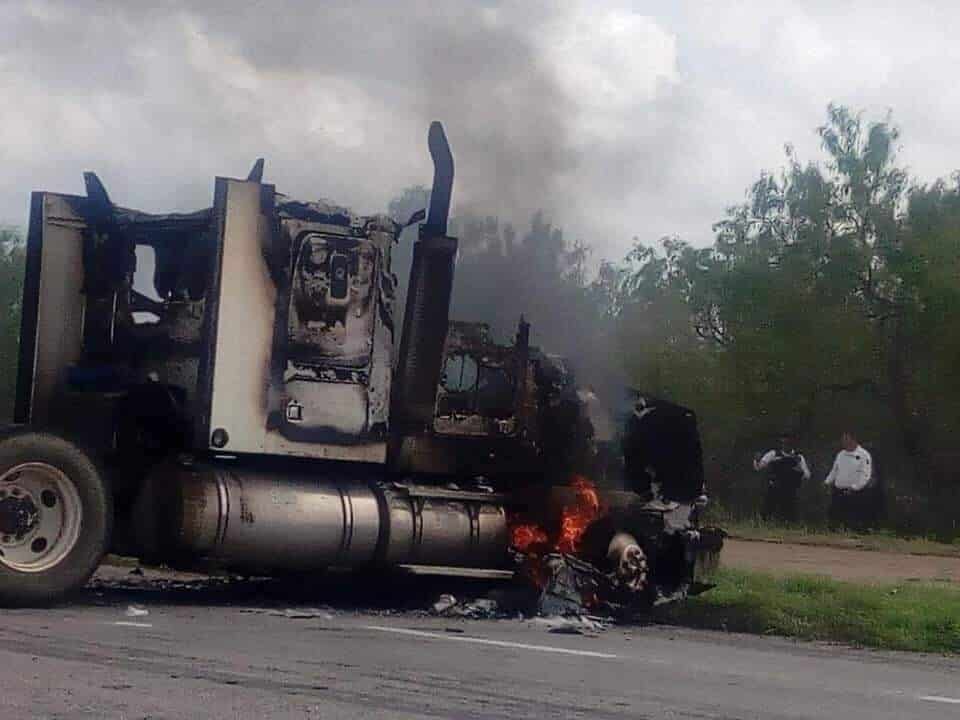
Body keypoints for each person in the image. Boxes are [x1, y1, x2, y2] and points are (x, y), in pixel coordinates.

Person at [754, 434, 811, 523]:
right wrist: (757, 460)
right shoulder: (774, 454)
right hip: (774, 488)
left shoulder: (798, 457)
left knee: (790, 516)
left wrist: (800, 471)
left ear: (792, 443)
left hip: (790, 490)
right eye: (783, 442)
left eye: (788, 443)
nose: (785, 445)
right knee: (766, 512)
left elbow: (807, 475)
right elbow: (759, 467)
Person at [824, 431, 873, 530]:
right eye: (843, 439)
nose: (843, 442)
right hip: (838, 492)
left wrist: (854, 488)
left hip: (854, 493)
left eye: (846, 439)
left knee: (852, 520)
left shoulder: (864, 455)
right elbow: (834, 470)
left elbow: (865, 475)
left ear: (853, 440)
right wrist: (827, 482)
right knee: (834, 518)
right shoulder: (840, 454)